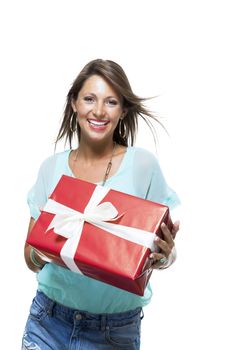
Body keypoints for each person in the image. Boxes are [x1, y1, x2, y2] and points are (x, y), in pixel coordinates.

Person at [22, 59, 180, 350]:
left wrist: (166, 257)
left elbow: (161, 254)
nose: (98, 111)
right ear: (74, 104)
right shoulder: (51, 169)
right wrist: (45, 252)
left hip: (114, 332)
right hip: (48, 322)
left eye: (111, 102)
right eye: (89, 99)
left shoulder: (143, 165)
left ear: (123, 110)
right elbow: (30, 259)